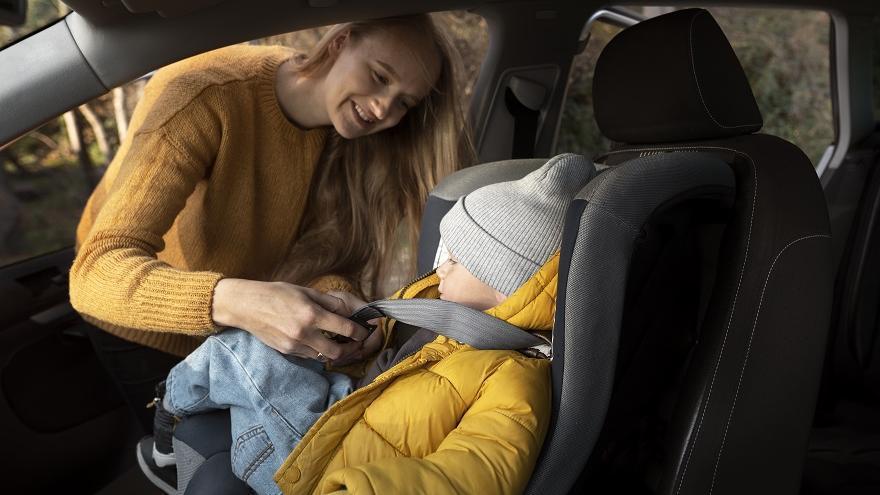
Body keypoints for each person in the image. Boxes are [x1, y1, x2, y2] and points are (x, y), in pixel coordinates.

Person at [69, 14, 472, 433]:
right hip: (138, 322)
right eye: (378, 76)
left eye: (404, 101)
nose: (383, 108)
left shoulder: (353, 138)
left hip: (232, 332)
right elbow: (96, 274)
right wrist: (242, 303)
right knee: (183, 458)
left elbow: (322, 254)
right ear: (340, 41)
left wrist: (339, 309)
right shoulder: (206, 94)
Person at [145, 153, 593, 494]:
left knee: (242, 351)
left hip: (322, 468)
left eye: (457, 258)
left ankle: (168, 420)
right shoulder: (434, 300)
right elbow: (389, 358)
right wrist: (362, 333)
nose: (441, 266)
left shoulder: (514, 376)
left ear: (505, 283)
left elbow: (473, 473)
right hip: (347, 414)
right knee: (262, 347)